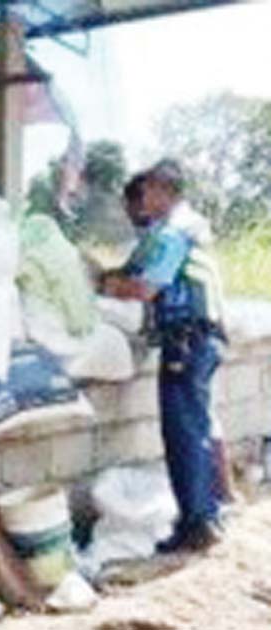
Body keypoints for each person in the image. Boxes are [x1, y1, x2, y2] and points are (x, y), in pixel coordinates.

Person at [104, 161, 230, 552]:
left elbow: (145, 288)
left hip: (186, 340)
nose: (142, 202)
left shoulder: (172, 234)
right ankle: (208, 513)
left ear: (161, 191)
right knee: (198, 424)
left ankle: (197, 524)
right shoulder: (190, 229)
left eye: (146, 194)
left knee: (183, 431)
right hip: (204, 338)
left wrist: (108, 285)